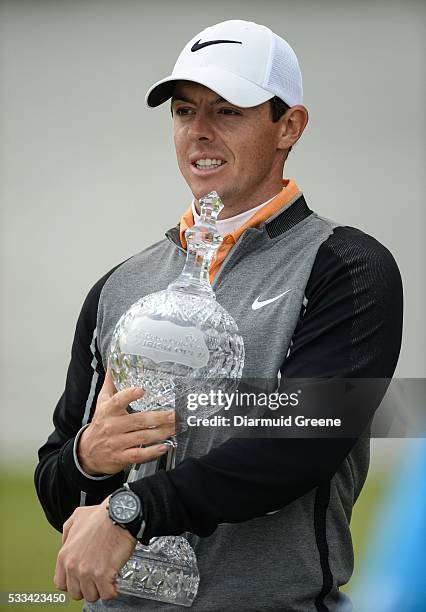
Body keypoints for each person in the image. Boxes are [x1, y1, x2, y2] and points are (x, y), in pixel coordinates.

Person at [35, 19, 403, 612]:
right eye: (184, 111)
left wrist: (134, 510)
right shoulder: (120, 286)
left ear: (290, 126)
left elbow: (300, 443)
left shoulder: (347, 266)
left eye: (228, 111)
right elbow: (57, 490)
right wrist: (90, 457)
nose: (198, 132)